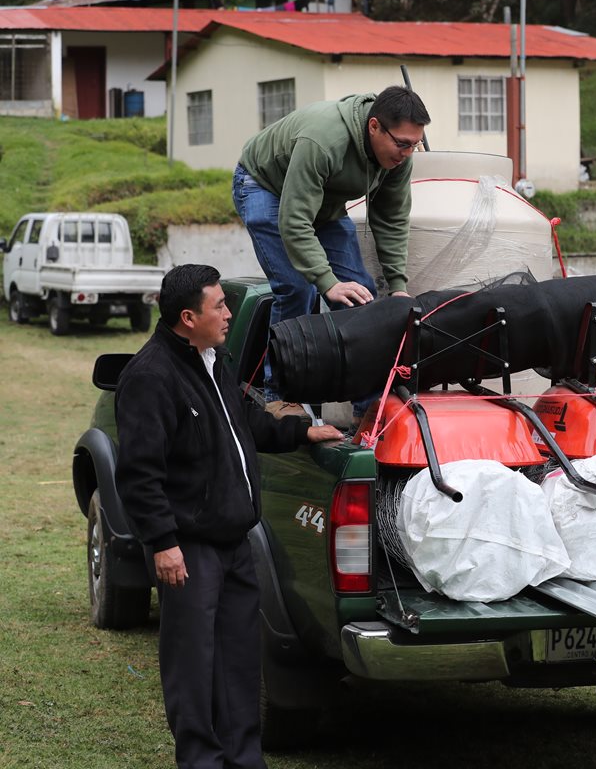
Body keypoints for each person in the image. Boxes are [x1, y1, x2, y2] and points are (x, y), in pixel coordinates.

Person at [115, 264, 342, 768]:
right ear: (188, 316)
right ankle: (200, 760)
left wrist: (301, 433)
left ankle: (244, 759)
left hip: (237, 543)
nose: (229, 313)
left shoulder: (216, 361)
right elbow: (138, 474)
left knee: (240, 663)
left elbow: (248, 422)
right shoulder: (150, 377)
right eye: (219, 305)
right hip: (190, 550)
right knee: (193, 666)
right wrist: (163, 542)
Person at [232, 85, 431, 417]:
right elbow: (295, 220)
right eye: (402, 143)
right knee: (296, 287)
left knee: (361, 293)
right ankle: (281, 396)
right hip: (264, 185)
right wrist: (326, 280)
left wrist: (398, 286)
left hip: (321, 201)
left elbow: (391, 219)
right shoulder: (324, 140)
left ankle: (367, 407)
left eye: (415, 144)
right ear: (374, 127)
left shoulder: (398, 157)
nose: (407, 153)